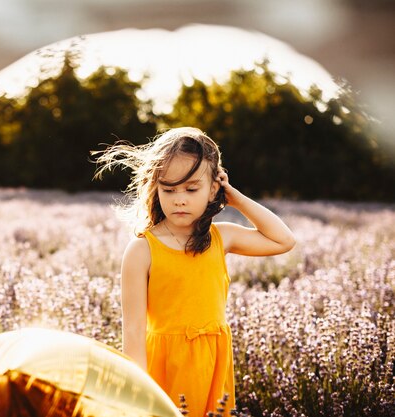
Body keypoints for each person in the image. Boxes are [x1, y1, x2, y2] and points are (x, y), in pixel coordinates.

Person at [92, 127, 296, 416]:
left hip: (213, 361)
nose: (179, 199)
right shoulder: (142, 250)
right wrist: (139, 392)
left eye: (191, 188)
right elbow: (134, 332)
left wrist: (235, 198)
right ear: (155, 189)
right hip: (164, 366)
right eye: (169, 189)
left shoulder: (222, 237)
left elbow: (284, 240)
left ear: (213, 189)